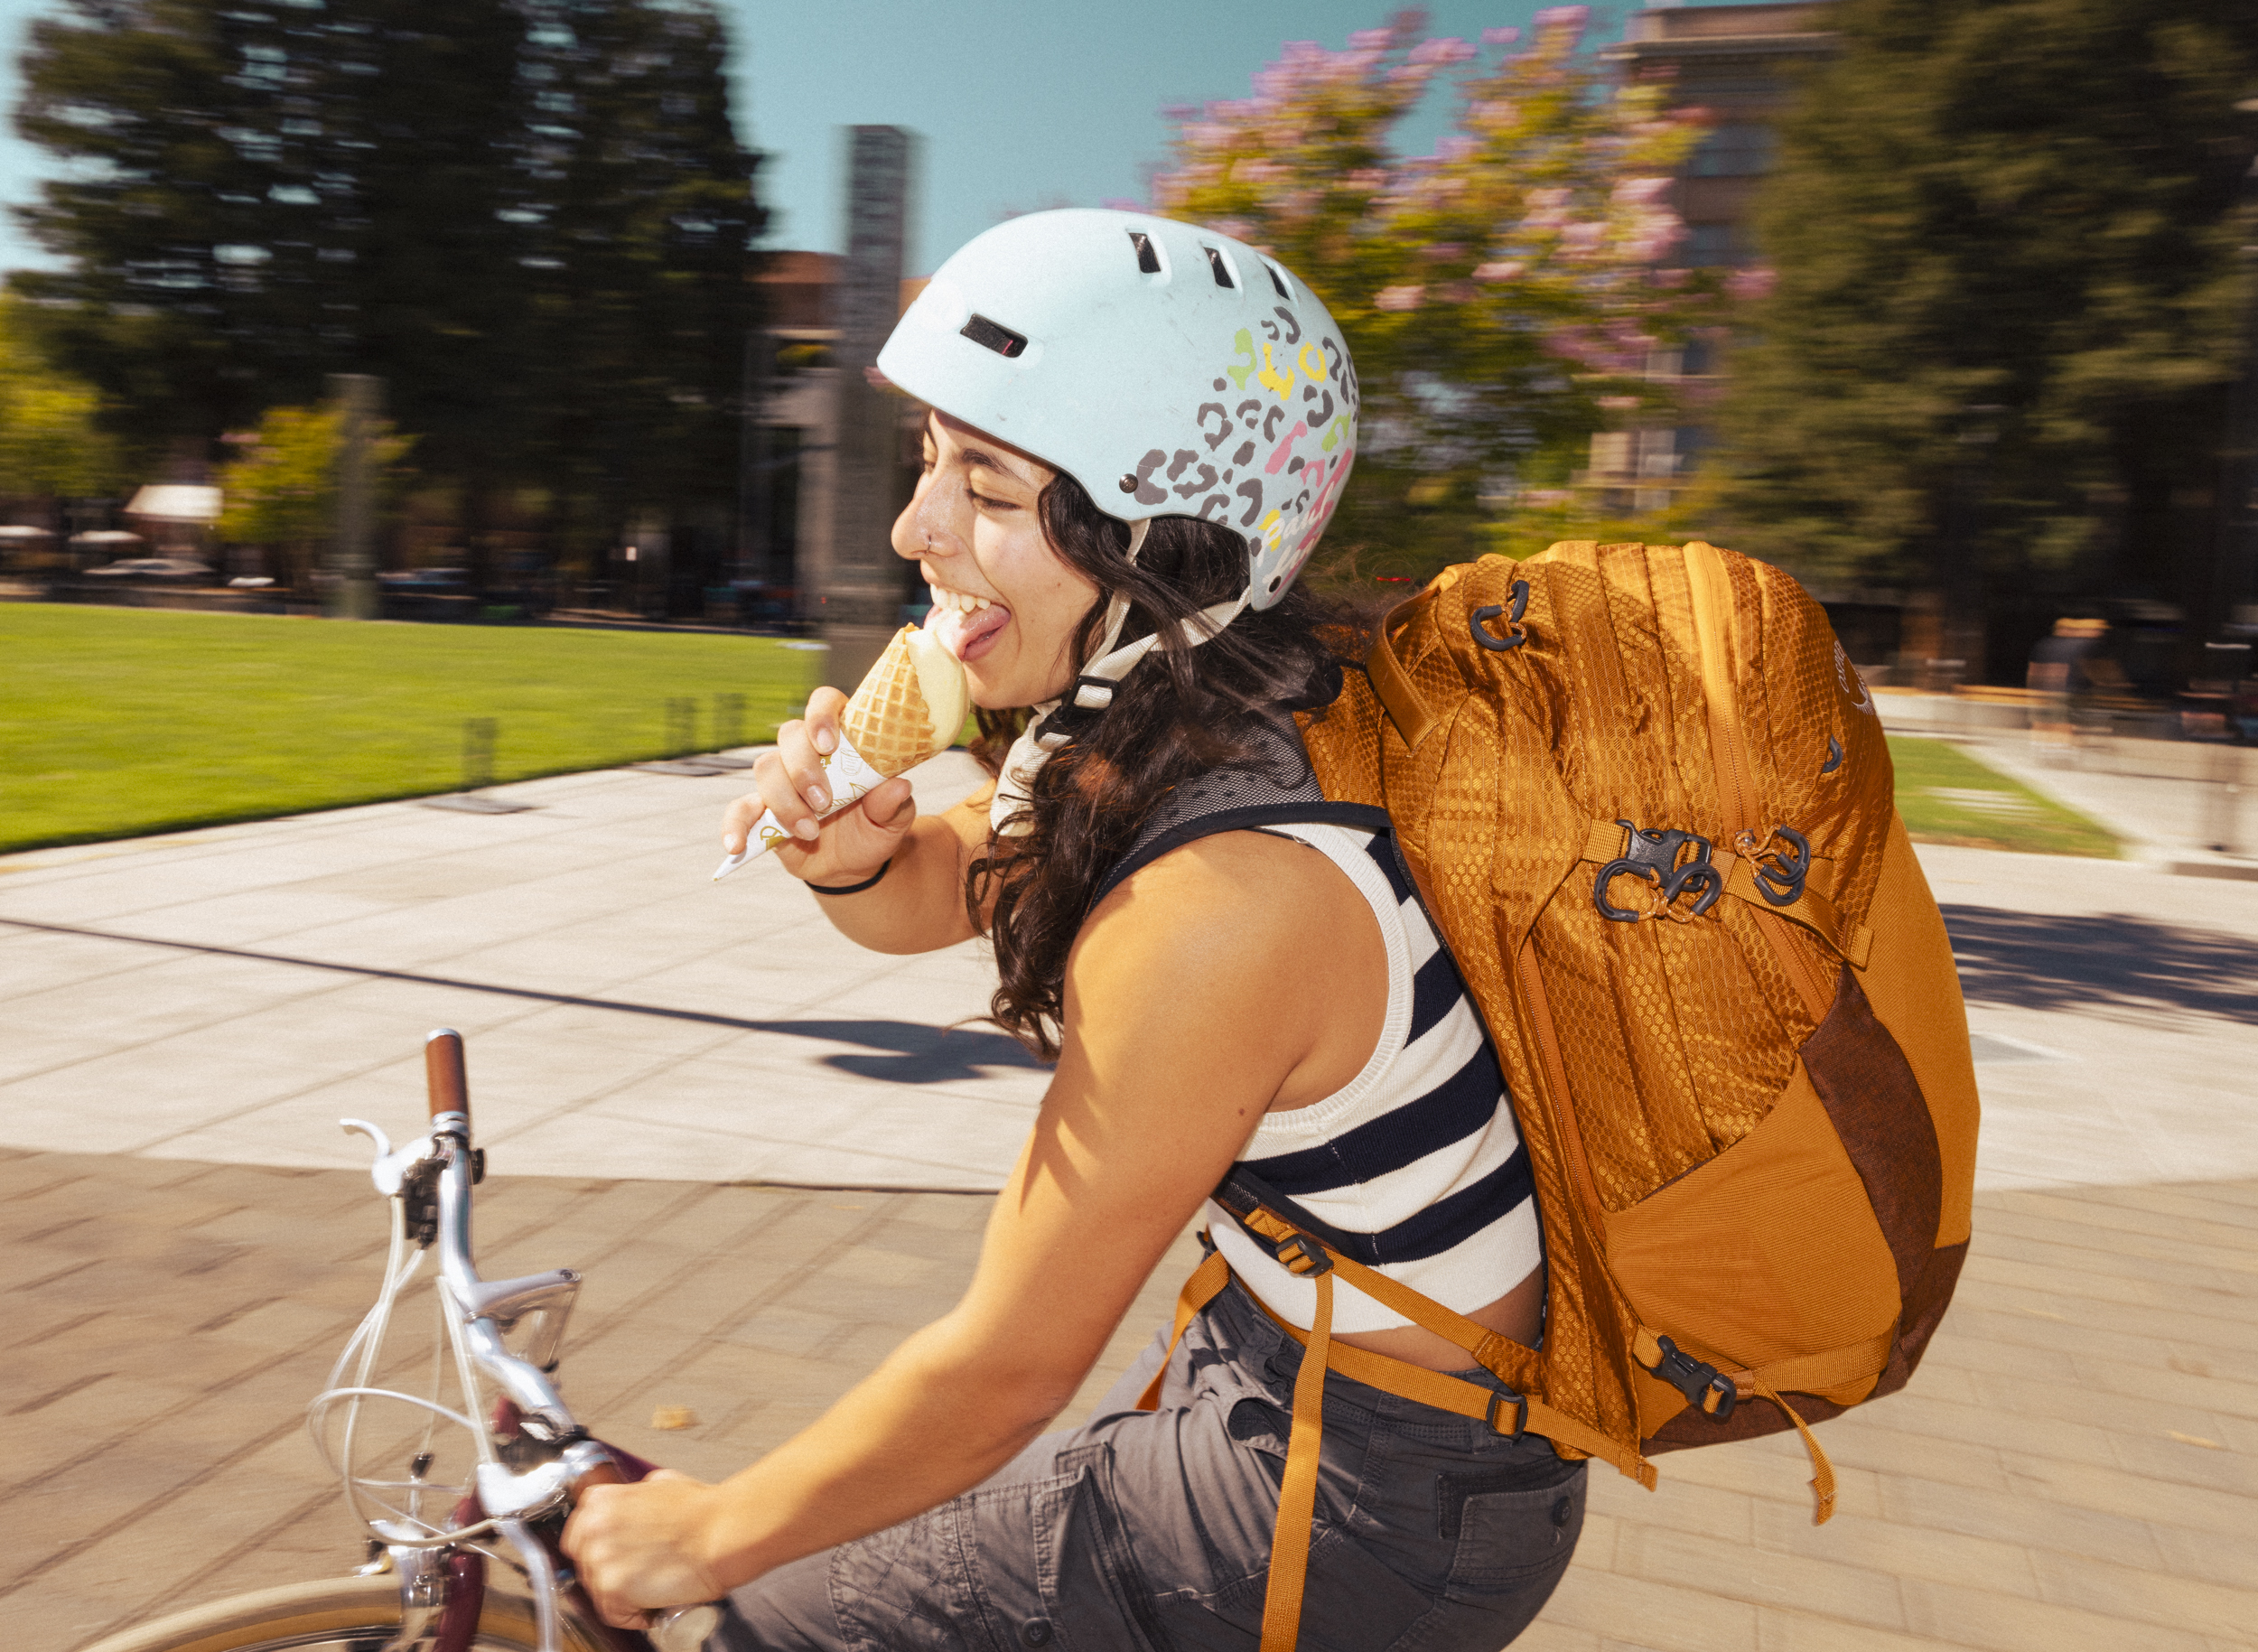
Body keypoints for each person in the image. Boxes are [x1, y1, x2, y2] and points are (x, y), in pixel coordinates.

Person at [562, 210, 1582, 1652]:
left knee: (767, 1612)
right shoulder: (1183, 716)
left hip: (1367, 1496)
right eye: (930, 459)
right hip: (1307, 1389)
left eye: (985, 482)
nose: (916, 529)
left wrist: (702, 1534)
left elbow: (1006, 1367)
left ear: (1164, 538)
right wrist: (854, 857)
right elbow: (951, 882)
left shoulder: (1221, 905)